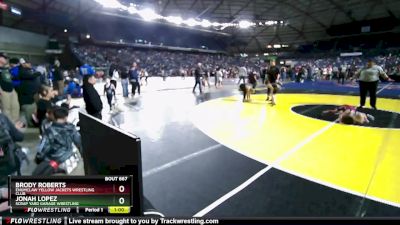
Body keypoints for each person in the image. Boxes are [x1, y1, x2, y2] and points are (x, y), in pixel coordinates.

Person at [33, 106, 82, 175]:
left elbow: (43, 147)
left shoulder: (49, 131)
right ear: (66, 117)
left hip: (53, 160)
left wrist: (38, 158)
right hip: (69, 159)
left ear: (54, 117)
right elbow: (79, 142)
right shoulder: (71, 128)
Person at [0, 53, 20, 123]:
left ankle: (14, 125)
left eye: (6, 58)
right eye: (4, 58)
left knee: (15, 107)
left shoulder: (6, 68)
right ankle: (7, 126)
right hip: (3, 90)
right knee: (6, 109)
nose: (6, 59)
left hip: (11, 89)